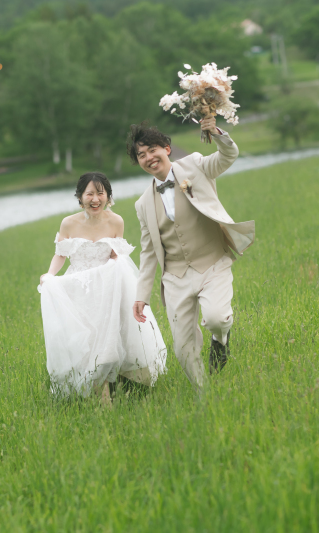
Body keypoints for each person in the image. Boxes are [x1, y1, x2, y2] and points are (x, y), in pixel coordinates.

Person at [129, 117, 254, 394]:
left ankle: (220, 342)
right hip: (175, 277)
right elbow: (149, 252)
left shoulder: (196, 165)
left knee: (217, 318)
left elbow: (228, 156)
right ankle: (205, 395)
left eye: (153, 149)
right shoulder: (142, 204)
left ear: (167, 149)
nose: (149, 157)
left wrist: (217, 132)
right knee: (182, 348)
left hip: (212, 262)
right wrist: (141, 295)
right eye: (142, 155)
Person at [39, 172, 167, 404]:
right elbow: (61, 254)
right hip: (79, 287)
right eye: (89, 194)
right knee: (86, 340)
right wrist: (49, 275)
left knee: (110, 339)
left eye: (100, 193)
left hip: (107, 287)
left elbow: (115, 255)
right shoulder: (69, 223)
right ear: (80, 197)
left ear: (108, 197)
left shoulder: (116, 221)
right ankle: (99, 396)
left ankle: (113, 390)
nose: (95, 199)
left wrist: (117, 273)